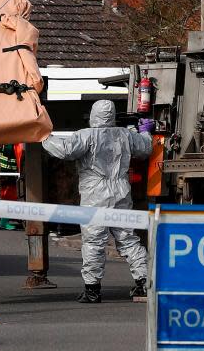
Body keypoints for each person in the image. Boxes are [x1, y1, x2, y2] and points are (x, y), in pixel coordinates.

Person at [42, 100, 152, 303]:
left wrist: (44, 137)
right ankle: (144, 283)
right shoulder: (125, 134)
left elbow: (65, 150)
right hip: (121, 189)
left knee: (93, 241)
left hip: (95, 193)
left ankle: (92, 290)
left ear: (93, 114)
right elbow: (146, 148)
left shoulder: (87, 135)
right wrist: (145, 131)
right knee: (128, 238)